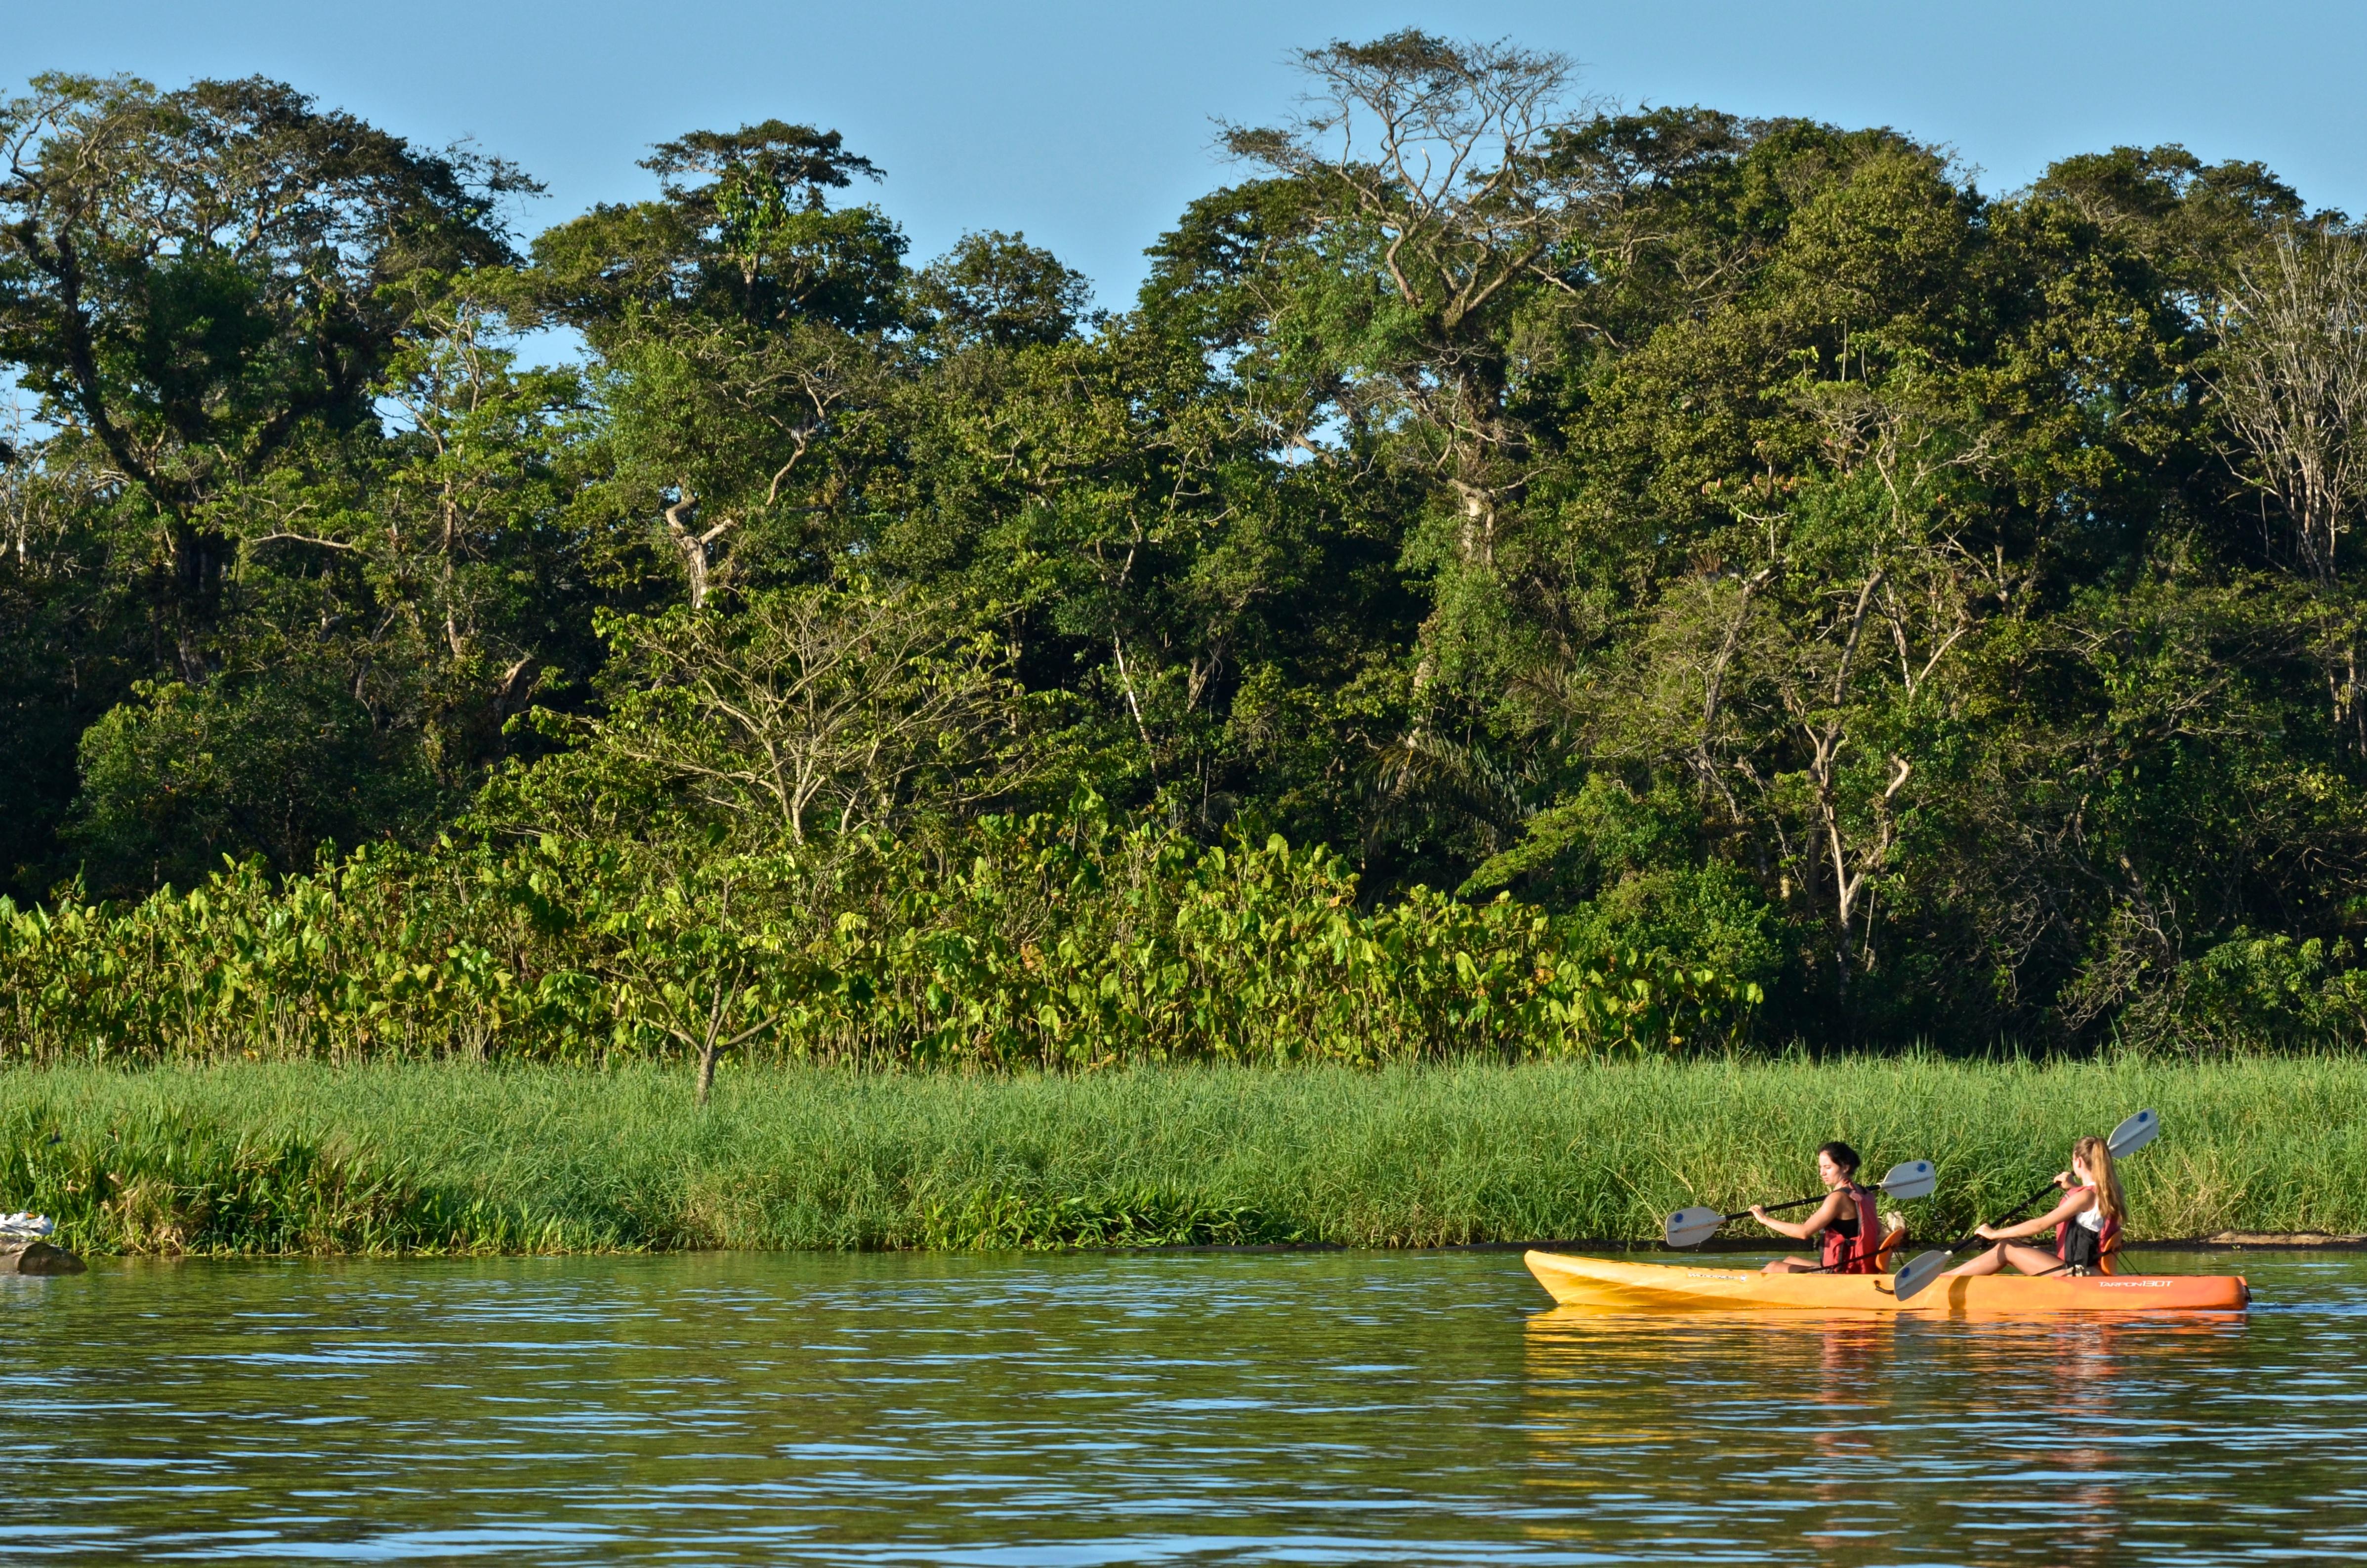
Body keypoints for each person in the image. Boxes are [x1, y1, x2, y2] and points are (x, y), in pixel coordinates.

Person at [1943, 1135, 2125, 1279]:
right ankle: (1947, 1279)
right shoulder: (2109, 1193)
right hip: (2091, 1272)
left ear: (2077, 1161)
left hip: (2076, 1275)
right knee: (2020, 1250)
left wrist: (1994, 1234)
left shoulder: (2085, 1196)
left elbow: (2040, 1226)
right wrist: (2073, 1188)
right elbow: (2089, 1206)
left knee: (2007, 1247)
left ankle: (1942, 1282)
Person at [1751, 1141, 1882, 1275]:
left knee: (1774, 1267)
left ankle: (1740, 1290)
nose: (1822, 1173)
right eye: (1821, 1167)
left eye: (1828, 1167)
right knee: (1790, 1260)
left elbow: (1804, 1232)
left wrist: (1765, 1220)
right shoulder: (1864, 1193)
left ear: (1845, 1167)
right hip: (1859, 1267)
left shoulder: (1838, 1198)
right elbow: (1877, 1230)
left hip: (1843, 1273)